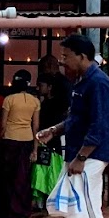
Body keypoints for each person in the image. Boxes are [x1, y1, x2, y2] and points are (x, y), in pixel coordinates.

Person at [37, 34, 109, 218]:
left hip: (90, 155)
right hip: (80, 153)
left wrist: (82, 157)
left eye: (66, 56)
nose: (63, 61)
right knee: (89, 210)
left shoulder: (99, 83)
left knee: (73, 207)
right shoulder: (83, 81)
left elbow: (99, 124)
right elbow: (77, 118)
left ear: (82, 56)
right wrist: (55, 130)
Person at [0, 70, 40, 218]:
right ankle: (21, 212)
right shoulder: (35, 101)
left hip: (10, 139)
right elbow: (36, 126)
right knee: (22, 177)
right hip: (27, 140)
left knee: (7, 177)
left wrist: (0, 138)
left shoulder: (9, 99)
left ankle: (5, 213)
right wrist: (35, 149)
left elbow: (3, 124)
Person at [30, 75, 66, 208]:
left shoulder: (57, 104)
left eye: (42, 85)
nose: (39, 88)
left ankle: (51, 208)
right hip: (43, 141)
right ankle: (44, 206)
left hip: (53, 144)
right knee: (42, 174)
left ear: (50, 87)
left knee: (51, 175)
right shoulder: (44, 103)